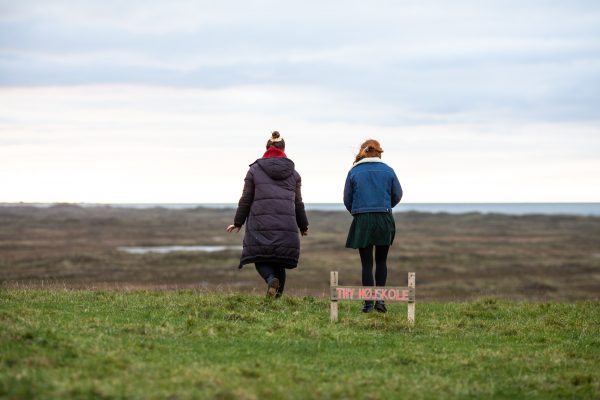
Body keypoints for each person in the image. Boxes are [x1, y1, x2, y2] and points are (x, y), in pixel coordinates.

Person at [227, 131, 309, 298]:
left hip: (260, 223)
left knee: (261, 258)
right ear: (283, 149)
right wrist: (303, 225)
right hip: (286, 225)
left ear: (266, 149)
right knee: (279, 260)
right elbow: (298, 202)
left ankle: (271, 280)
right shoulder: (294, 174)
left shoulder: (254, 170)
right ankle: (276, 299)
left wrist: (238, 222)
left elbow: (246, 199)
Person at [343, 139, 402, 313]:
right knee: (382, 260)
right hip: (384, 217)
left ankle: (368, 303)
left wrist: (357, 211)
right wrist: (385, 206)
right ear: (379, 152)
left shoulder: (354, 171)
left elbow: (347, 198)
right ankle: (380, 301)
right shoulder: (388, 170)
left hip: (363, 218)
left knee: (366, 264)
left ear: (363, 152)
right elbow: (397, 194)